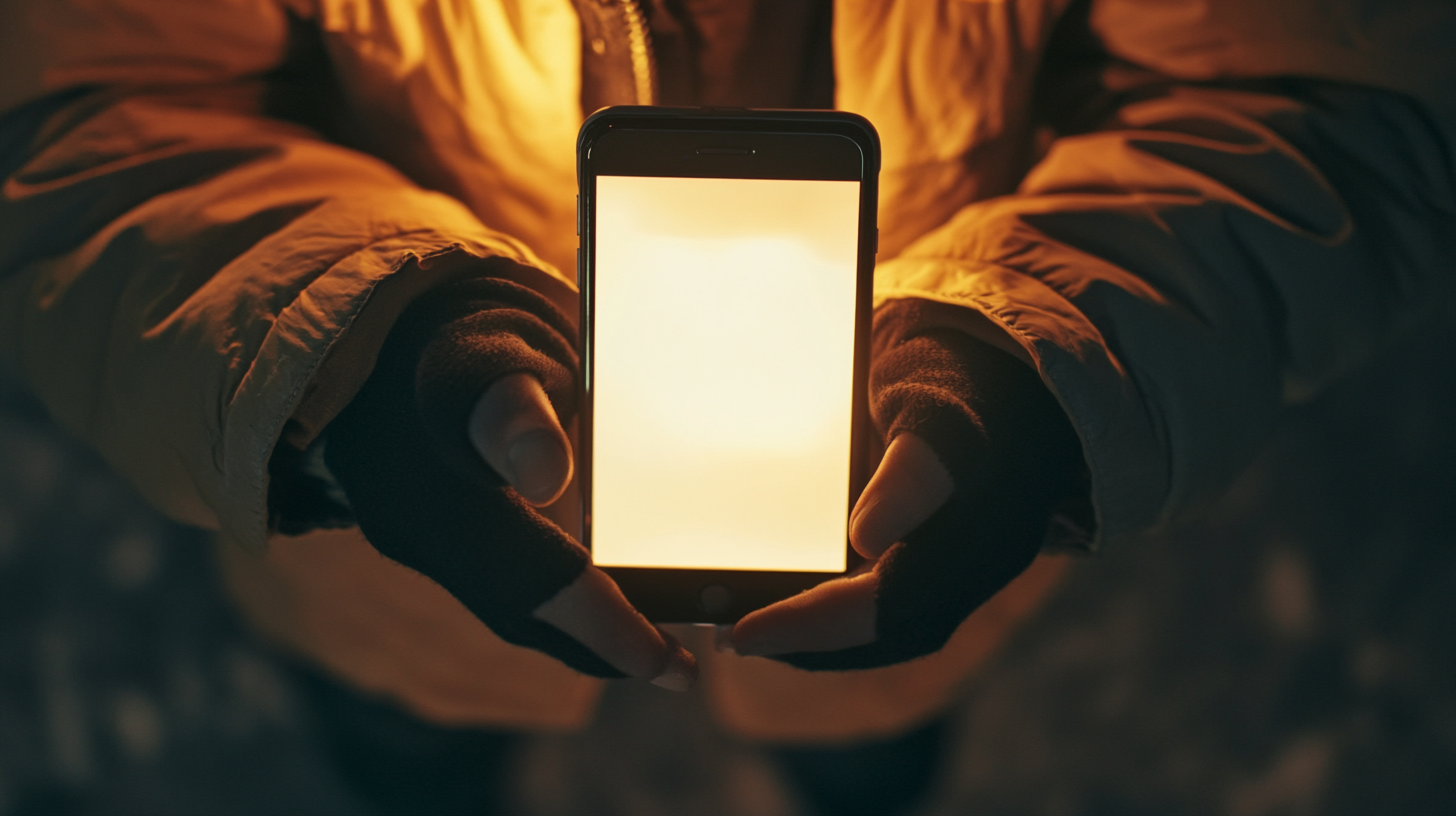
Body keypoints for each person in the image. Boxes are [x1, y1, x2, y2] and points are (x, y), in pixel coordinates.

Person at [2, 0, 1453, 812]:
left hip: (908, 525)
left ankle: (858, 772)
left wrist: (1047, 345)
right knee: (416, 747)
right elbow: (72, 106)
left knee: (866, 739)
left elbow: (1342, 84)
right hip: (400, 570)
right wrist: (350, 353)